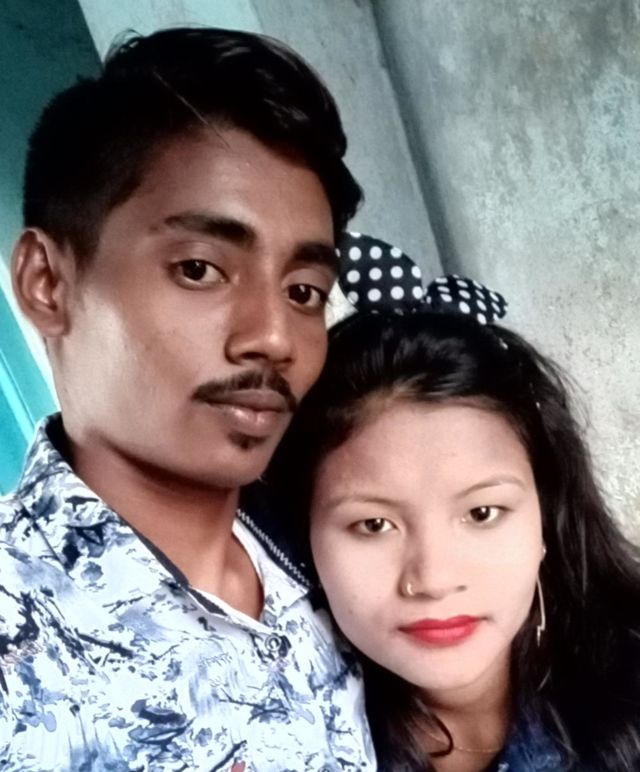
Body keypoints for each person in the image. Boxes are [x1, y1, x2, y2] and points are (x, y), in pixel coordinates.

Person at [0, 26, 376, 770]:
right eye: (200, 269)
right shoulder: (18, 643)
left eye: (305, 291)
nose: (275, 337)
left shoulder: (339, 559)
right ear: (47, 283)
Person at [275, 307, 640, 771]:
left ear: (545, 520)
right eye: (374, 524)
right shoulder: (279, 731)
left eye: (482, 513)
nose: (433, 580)